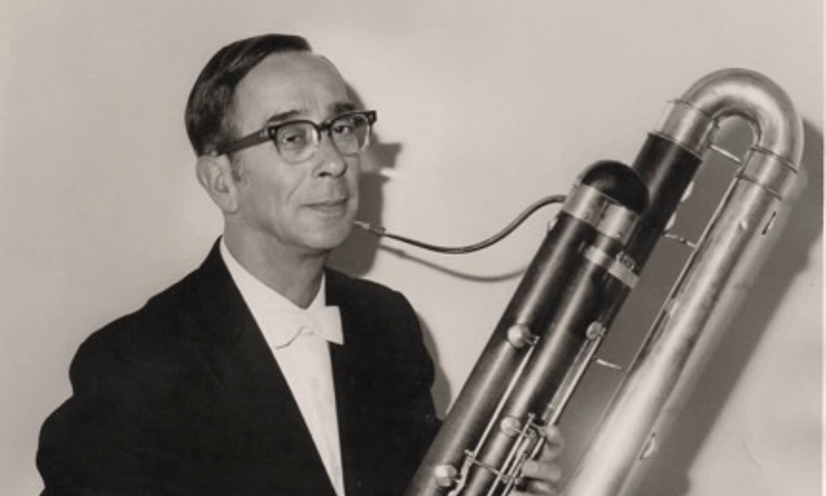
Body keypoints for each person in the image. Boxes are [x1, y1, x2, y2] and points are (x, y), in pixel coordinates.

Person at [36, 34, 564, 496]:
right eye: (292, 138)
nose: (334, 162)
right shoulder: (135, 364)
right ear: (222, 181)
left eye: (341, 126)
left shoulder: (387, 325)